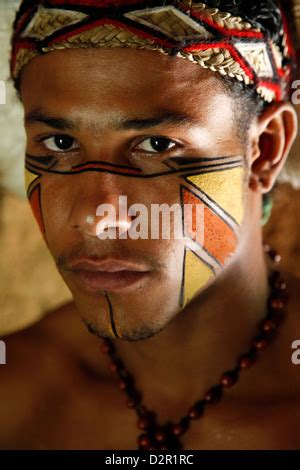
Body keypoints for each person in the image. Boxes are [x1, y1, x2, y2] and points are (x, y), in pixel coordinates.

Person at [0, 0, 299, 450]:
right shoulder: (16, 391)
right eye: (59, 142)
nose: (97, 218)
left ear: (265, 150)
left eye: (157, 144)